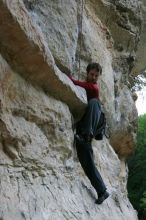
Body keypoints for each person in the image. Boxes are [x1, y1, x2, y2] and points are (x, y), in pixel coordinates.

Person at [68, 62, 109, 204]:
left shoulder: (94, 88)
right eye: (92, 74)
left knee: (94, 103)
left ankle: (85, 136)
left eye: (96, 75)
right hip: (86, 127)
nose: (94, 77)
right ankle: (102, 191)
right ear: (87, 73)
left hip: (95, 123)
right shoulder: (89, 83)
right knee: (86, 161)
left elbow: (88, 86)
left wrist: (71, 79)